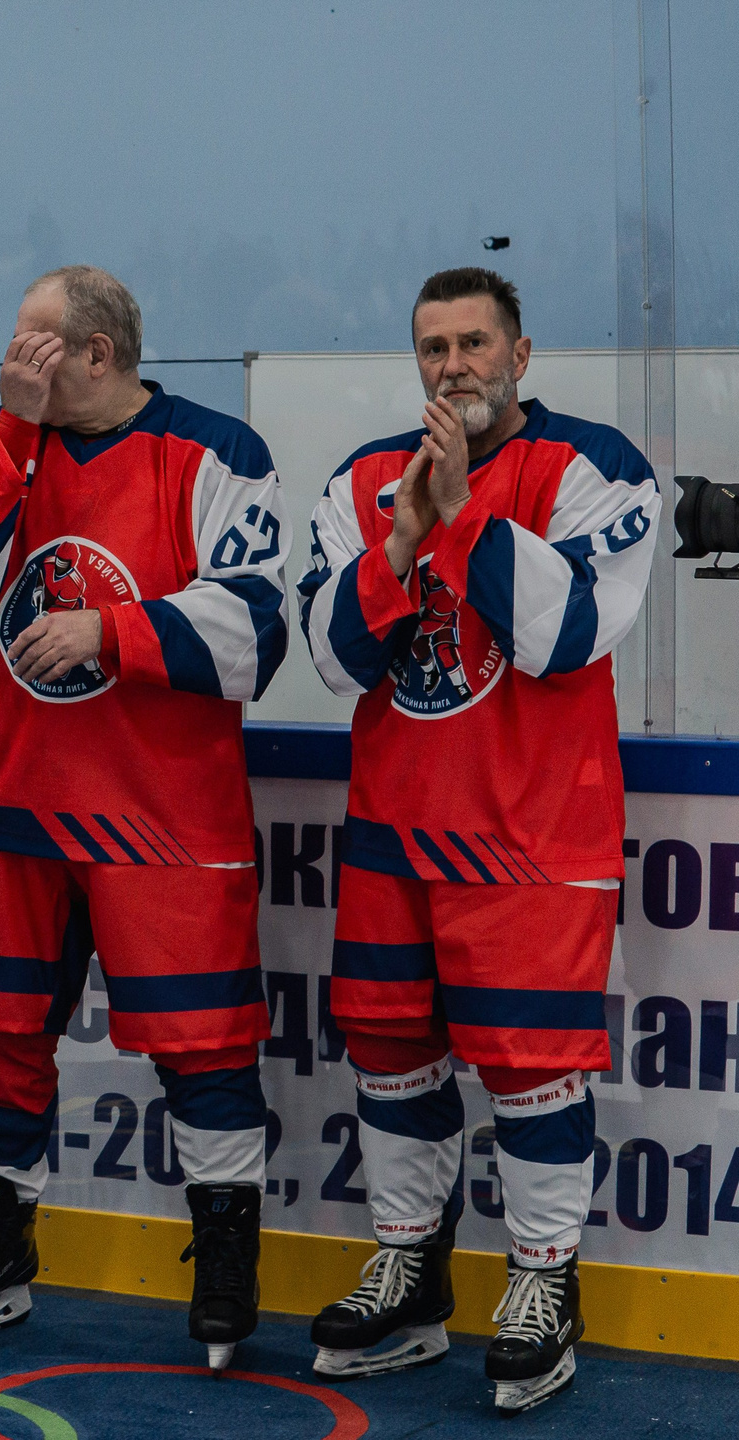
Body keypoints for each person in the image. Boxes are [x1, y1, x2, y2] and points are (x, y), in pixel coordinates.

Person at [0, 265, 289, 1368]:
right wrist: (9, 439)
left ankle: (224, 1255)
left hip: (162, 819)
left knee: (202, 1046)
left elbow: (255, 629)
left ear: (98, 354)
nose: (14, 360)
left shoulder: (215, 453)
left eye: (35, 343)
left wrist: (109, 633)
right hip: (14, 807)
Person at [296, 267, 659, 1414]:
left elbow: (568, 634)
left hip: (531, 842)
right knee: (391, 1056)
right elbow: (327, 655)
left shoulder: (591, 468)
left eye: (472, 343)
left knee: (533, 1074)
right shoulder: (363, 480)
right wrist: (401, 537)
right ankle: (408, 1270)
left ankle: (544, 1282)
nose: (452, 366)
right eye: (432, 348)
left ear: (520, 352)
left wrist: (463, 515)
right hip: (394, 838)